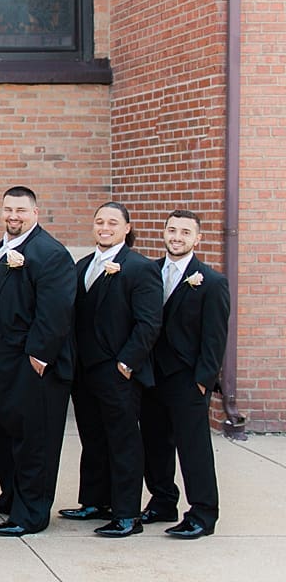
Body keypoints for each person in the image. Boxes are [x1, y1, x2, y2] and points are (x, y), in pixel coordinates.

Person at [0, 186, 76, 536]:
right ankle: (12, 496)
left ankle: (31, 514)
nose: (13, 216)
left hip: (32, 368)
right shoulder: (3, 249)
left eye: (21, 211)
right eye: (8, 210)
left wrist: (38, 357)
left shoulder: (50, 253)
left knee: (34, 442)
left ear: (35, 212)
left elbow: (55, 311)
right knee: (3, 437)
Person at [60, 202, 161, 538]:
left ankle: (127, 514)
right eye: (100, 221)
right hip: (85, 371)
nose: (105, 227)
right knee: (93, 439)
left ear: (127, 228)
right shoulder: (83, 265)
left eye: (113, 222)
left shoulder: (140, 267)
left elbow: (148, 323)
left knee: (123, 442)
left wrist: (126, 364)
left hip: (118, 371)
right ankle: (95, 501)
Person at [139, 210, 230, 539]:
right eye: (172, 230)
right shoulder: (147, 272)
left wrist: (203, 381)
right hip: (151, 376)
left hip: (187, 379)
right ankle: (163, 501)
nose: (177, 237)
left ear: (197, 239)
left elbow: (215, 338)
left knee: (194, 449)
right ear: (163, 233)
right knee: (154, 444)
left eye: (185, 232)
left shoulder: (212, 282)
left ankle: (203, 514)